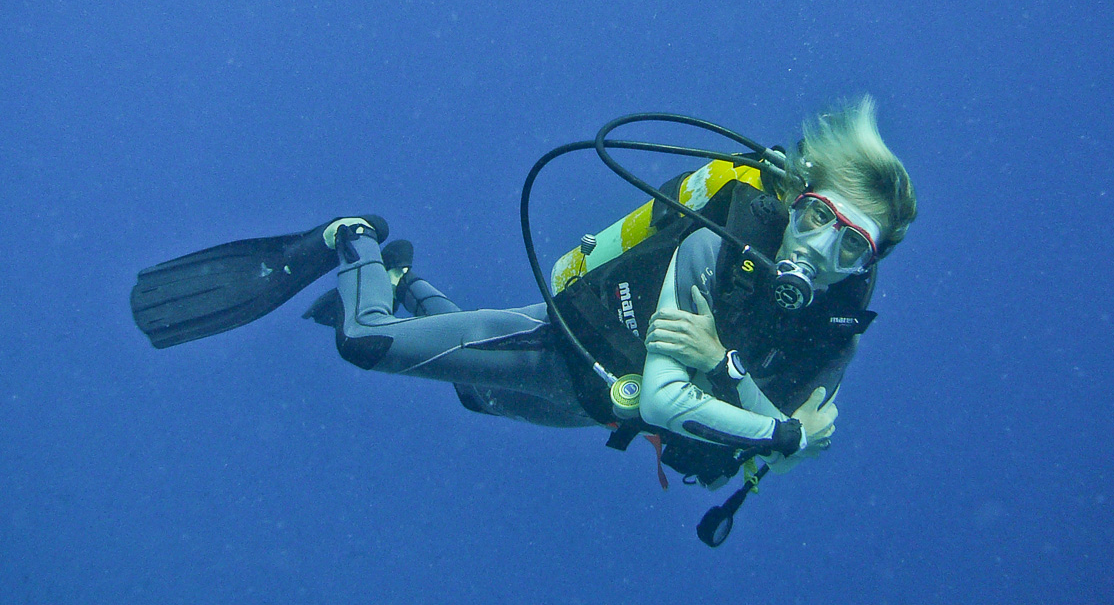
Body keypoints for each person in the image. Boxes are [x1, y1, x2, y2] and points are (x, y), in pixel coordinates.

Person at [131, 96, 915, 494]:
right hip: (564, 345)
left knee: (475, 395)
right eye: (818, 217)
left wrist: (741, 380)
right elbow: (690, 407)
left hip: (590, 404)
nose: (820, 250)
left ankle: (407, 279)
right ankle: (353, 238)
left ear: (871, 260)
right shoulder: (719, 244)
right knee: (366, 343)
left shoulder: (835, 331)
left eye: (852, 243)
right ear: (799, 199)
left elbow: (796, 435)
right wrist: (774, 428)